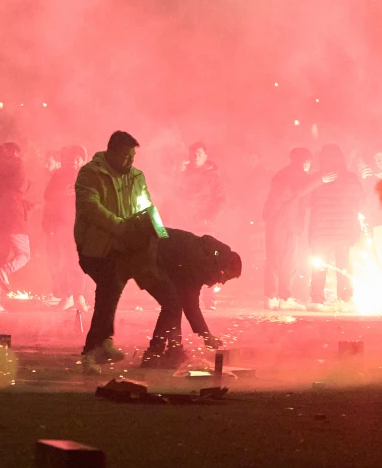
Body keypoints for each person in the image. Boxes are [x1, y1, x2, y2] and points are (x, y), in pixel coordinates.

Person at [74, 130, 168, 370]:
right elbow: (90, 207)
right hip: (95, 248)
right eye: (126, 157)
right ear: (111, 151)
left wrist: (160, 233)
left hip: (125, 248)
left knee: (110, 291)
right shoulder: (90, 174)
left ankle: (102, 343)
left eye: (132, 157)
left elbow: (146, 204)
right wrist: (120, 227)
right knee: (109, 287)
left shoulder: (136, 176)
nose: (130, 162)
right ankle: (91, 351)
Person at [137, 228, 241, 367]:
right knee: (172, 305)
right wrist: (206, 335)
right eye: (226, 276)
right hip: (147, 257)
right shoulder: (202, 262)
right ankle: (153, 354)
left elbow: (186, 301)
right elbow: (191, 306)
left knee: (174, 303)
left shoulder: (208, 257)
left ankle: (174, 350)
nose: (223, 282)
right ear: (223, 267)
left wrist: (205, 334)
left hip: (150, 254)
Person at [306, 144, 362, 311]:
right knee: (344, 266)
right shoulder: (351, 178)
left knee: (319, 266)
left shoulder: (316, 179)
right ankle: (344, 300)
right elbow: (362, 200)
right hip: (344, 232)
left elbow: (305, 201)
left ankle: (317, 300)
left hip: (320, 232)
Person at [262, 147, 319, 310]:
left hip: (275, 221)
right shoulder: (297, 175)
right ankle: (284, 297)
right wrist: (320, 179)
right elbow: (301, 193)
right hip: (287, 223)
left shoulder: (282, 173)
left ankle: (270, 297)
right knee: (288, 260)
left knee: (273, 259)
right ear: (305, 161)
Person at [0, 142, 32, 312]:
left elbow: (3, 193)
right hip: (12, 220)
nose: (19, 156)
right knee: (24, 254)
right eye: (17, 153)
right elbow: (19, 186)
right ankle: (6, 271)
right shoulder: (16, 164)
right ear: (11, 152)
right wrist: (26, 186)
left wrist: (24, 203)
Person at [43, 146, 85, 310]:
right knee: (61, 263)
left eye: (77, 158)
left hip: (82, 226)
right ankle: (67, 296)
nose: (74, 161)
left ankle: (79, 297)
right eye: (71, 158)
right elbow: (48, 197)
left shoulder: (89, 175)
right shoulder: (59, 175)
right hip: (62, 226)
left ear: (82, 160)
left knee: (78, 262)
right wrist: (63, 193)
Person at [177, 142, 226, 229]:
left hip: (202, 226)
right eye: (193, 154)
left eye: (199, 154)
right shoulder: (183, 173)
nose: (196, 157)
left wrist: (208, 219)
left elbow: (221, 200)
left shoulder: (213, 177)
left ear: (205, 156)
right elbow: (173, 193)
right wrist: (178, 172)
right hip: (182, 223)